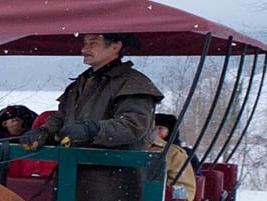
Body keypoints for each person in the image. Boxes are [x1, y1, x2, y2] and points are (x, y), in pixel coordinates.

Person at [14, 33, 162, 150]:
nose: (84, 49)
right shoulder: (80, 83)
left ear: (115, 47)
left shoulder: (133, 83)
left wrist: (92, 130)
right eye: (85, 43)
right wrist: (44, 132)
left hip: (111, 180)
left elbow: (133, 127)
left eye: (93, 43)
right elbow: (62, 117)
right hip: (71, 174)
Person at [154, 112, 199, 201]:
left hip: (164, 200)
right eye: (154, 129)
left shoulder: (180, 154)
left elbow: (184, 184)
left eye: (160, 128)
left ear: (170, 131)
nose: (156, 132)